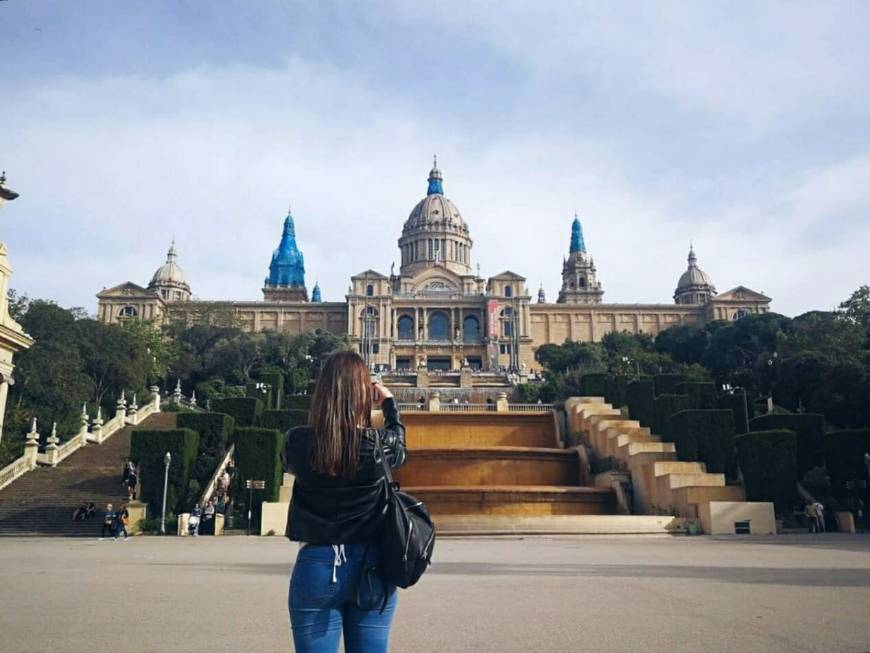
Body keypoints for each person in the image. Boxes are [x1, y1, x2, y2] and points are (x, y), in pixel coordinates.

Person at [283, 350, 407, 653]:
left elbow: (289, 463)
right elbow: (401, 447)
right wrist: (390, 406)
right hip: (373, 566)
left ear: (322, 392)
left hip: (317, 564)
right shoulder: (380, 445)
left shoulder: (297, 441)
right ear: (365, 394)